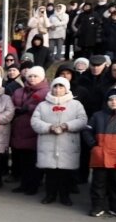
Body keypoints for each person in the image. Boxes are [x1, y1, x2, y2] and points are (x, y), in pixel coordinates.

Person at [30, 77, 87, 206]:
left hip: (68, 143)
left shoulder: (76, 105)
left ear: (66, 89)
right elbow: (35, 121)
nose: (58, 90)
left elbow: (82, 120)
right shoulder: (43, 105)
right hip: (48, 143)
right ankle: (50, 194)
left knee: (65, 173)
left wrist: (67, 126)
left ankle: (65, 196)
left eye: (61, 87)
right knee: (51, 173)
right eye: (55, 87)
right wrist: (49, 127)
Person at [83, 88, 116, 217]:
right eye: (111, 99)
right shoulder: (97, 115)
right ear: (106, 101)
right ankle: (97, 206)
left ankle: (115, 207)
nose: (113, 102)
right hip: (100, 155)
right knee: (98, 183)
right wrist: (93, 145)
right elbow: (86, 131)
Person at [10, 65, 50, 195]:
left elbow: (46, 109)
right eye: (30, 76)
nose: (32, 78)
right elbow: (11, 105)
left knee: (34, 161)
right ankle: (24, 184)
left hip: (35, 130)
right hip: (20, 129)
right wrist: (15, 109)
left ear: (42, 78)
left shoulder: (46, 92)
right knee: (23, 161)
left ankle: (33, 185)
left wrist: (29, 109)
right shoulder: (19, 91)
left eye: (35, 76)